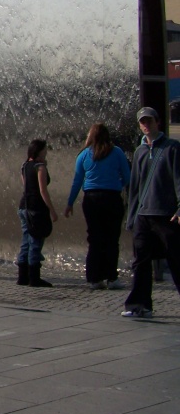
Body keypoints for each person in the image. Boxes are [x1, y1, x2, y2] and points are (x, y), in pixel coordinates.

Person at [122, 106, 180, 318]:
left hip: (166, 214)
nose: (145, 125)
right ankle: (139, 305)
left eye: (149, 121)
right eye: (142, 122)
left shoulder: (172, 148)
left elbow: (179, 180)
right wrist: (132, 217)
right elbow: (135, 186)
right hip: (143, 216)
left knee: (176, 260)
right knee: (141, 261)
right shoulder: (139, 152)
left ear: (157, 122)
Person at [65, 123, 131, 290]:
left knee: (94, 239)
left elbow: (77, 182)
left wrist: (70, 203)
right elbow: (128, 177)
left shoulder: (84, 155)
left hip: (91, 199)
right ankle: (111, 277)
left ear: (90, 136)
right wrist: (117, 184)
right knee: (112, 239)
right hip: (112, 198)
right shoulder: (117, 153)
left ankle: (94, 278)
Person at [17, 139, 59, 287]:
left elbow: (27, 187)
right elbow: (42, 190)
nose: (46, 151)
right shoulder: (40, 167)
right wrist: (52, 210)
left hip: (24, 206)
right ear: (40, 151)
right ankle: (34, 278)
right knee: (35, 242)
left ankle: (22, 277)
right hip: (36, 208)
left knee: (26, 241)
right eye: (45, 150)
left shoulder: (25, 165)